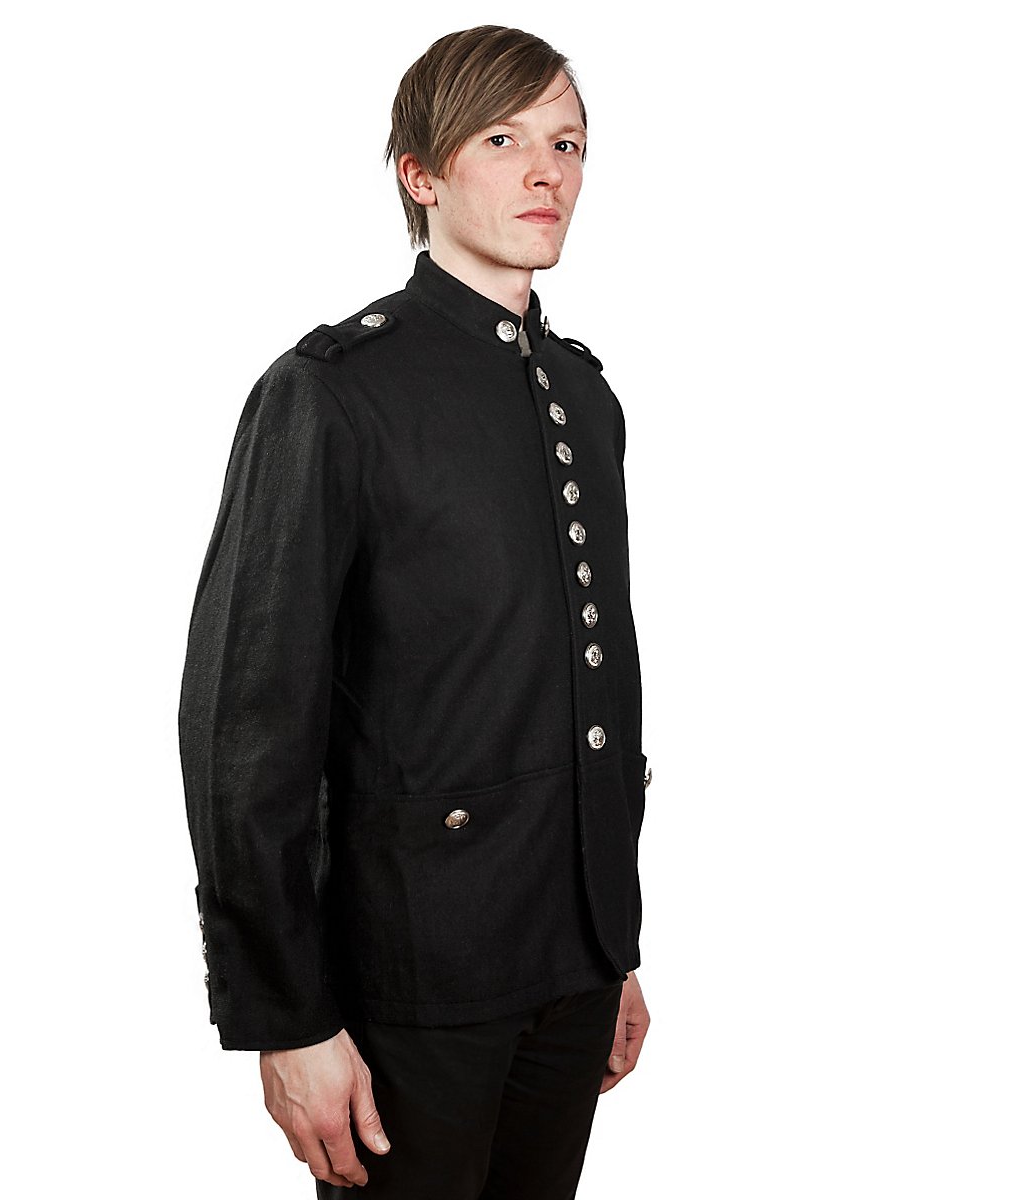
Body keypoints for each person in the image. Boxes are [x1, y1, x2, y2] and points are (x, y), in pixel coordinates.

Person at [178, 24, 652, 1198]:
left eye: (567, 144)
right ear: (420, 174)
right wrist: (285, 1018)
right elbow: (246, 730)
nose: (546, 172)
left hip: (572, 965)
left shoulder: (584, 394)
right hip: (411, 978)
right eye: (503, 141)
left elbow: (584, 687)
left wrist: (612, 943)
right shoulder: (333, 393)